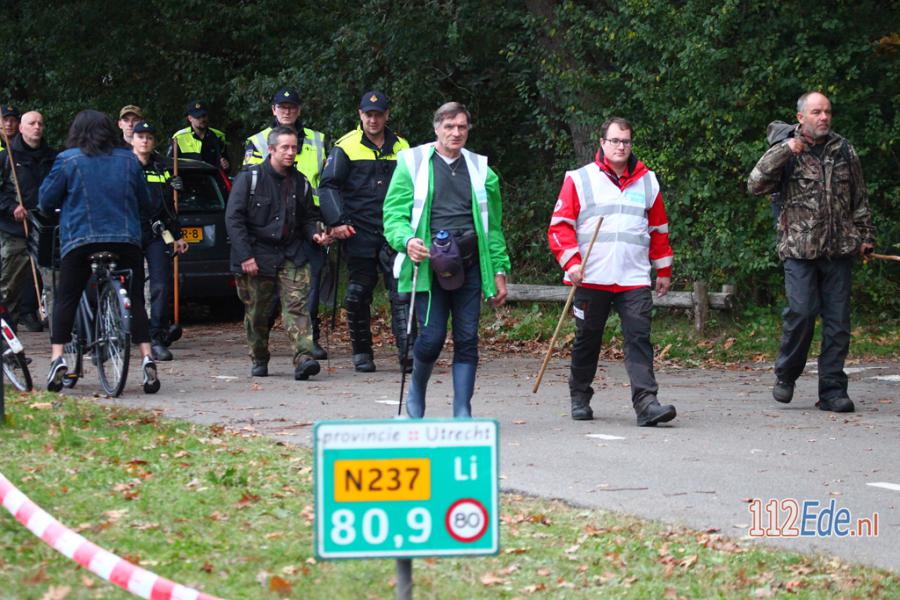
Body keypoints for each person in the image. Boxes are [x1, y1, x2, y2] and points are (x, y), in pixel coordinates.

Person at [748, 91, 875, 413]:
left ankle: (832, 391)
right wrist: (783, 152)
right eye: (817, 112)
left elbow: (859, 197)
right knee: (801, 314)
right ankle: (787, 374)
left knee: (838, 324)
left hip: (839, 251)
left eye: (827, 112)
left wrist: (866, 235)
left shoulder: (843, 149)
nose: (824, 117)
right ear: (801, 117)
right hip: (799, 250)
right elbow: (755, 185)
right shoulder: (786, 149)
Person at [383, 102, 510, 418]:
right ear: (437, 127)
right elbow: (392, 215)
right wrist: (407, 240)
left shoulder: (481, 170)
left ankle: (463, 409)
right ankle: (416, 393)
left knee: (468, 338)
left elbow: (493, 227)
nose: (456, 133)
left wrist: (498, 270)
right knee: (432, 336)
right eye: (450, 126)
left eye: (462, 127)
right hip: (428, 265)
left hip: (469, 265)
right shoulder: (411, 163)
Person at [547, 116, 676, 427]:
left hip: (633, 277)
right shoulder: (579, 179)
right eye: (615, 140)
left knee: (639, 338)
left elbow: (658, 228)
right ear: (602, 143)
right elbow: (559, 226)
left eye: (626, 141)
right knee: (587, 339)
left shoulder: (648, 181)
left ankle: (647, 403)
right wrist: (572, 263)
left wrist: (663, 268)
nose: (621, 146)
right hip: (591, 276)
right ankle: (579, 394)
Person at [38, 109, 162, 393]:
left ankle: (58, 358)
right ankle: (146, 356)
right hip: (125, 240)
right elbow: (145, 201)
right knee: (136, 300)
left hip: (81, 240)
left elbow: (45, 201)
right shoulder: (129, 160)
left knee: (66, 297)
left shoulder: (68, 160)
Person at [319, 90, 414, 373]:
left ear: (387, 115)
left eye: (378, 114)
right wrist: (337, 221)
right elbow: (328, 186)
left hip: (394, 231)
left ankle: (408, 353)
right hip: (358, 231)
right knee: (358, 293)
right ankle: (362, 352)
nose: (373, 119)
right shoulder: (345, 146)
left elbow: (415, 186)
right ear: (360, 115)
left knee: (402, 293)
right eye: (368, 114)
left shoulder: (403, 147)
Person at [227, 126, 330, 380]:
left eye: (294, 147)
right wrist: (245, 256)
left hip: (292, 253)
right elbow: (234, 218)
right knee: (259, 313)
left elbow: (309, 217)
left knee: (297, 307)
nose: (290, 152)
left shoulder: (301, 182)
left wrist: (316, 233)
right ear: (271, 150)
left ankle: (304, 357)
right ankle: (259, 356)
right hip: (257, 254)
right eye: (285, 147)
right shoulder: (249, 178)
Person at [243, 87, 328, 360]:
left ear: (299, 110)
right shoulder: (256, 141)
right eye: (282, 107)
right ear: (274, 110)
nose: (287, 111)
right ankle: (260, 345)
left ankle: (306, 347)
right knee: (264, 302)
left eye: (292, 106)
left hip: (308, 223)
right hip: (269, 229)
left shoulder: (318, 139)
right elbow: (251, 186)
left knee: (308, 288)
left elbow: (326, 183)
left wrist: (325, 223)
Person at [131, 121, 189, 361]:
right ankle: (127, 334)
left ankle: (155, 337)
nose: (145, 141)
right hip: (131, 232)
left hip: (157, 233)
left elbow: (169, 207)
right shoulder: (124, 166)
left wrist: (178, 234)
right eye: (140, 136)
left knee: (160, 286)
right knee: (130, 287)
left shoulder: (161, 167)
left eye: (149, 137)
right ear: (132, 139)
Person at [0, 111, 56, 332]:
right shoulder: (6, 158)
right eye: (32, 123)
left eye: (40, 123)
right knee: (8, 288)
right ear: (21, 128)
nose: (37, 127)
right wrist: (11, 207)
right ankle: (7, 341)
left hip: (45, 229)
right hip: (15, 230)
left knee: (54, 284)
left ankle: (60, 339)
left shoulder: (52, 157)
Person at [169, 100, 230, 172]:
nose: (202, 119)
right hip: (187, 181)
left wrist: (226, 166)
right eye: (198, 117)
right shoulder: (179, 137)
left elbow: (227, 167)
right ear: (190, 118)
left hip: (212, 181)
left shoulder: (218, 136)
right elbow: (169, 166)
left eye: (204, 116)